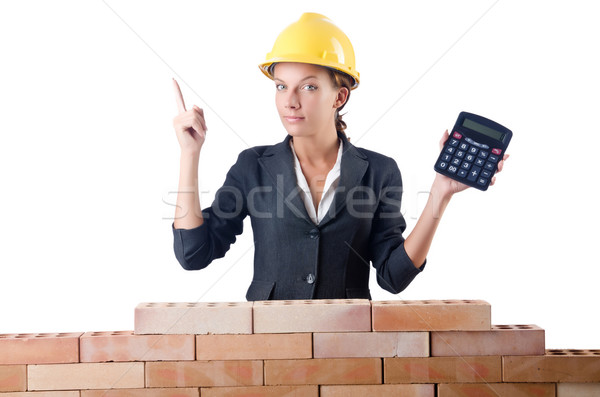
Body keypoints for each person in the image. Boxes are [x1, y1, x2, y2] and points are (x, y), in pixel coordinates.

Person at [170, 13, 508, 300]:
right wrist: (189, 155)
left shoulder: (379, 172)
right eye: (281, 85)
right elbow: (194, 254)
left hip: (349, 351)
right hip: (268, 349)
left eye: (309, 86)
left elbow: (393, 276)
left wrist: (440, 194)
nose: (290, 100)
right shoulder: (252, 167)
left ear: (340, 96)